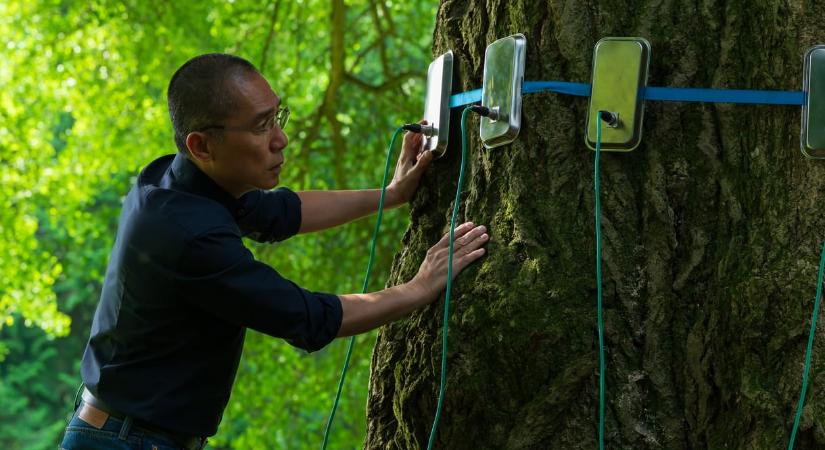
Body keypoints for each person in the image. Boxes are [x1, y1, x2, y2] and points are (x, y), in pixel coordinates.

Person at [58, 53, 488, 450]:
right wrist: (420, 287)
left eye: (277, 116)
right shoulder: (188, 235)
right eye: (262, 126)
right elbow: (307, 317)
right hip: (125, 441)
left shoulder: (178, 182)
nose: (280, 139)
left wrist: (390, 195)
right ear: (202, 146)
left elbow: (281, 212)